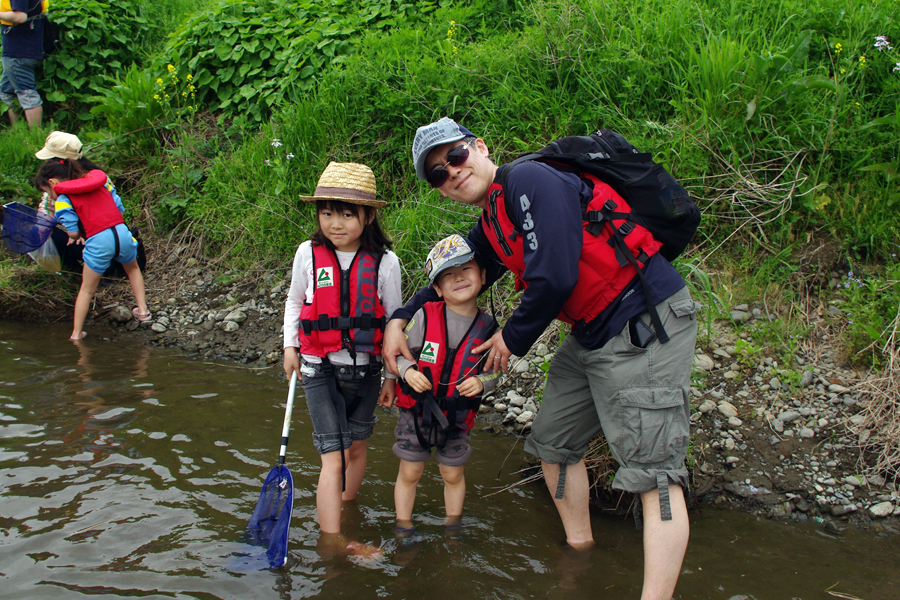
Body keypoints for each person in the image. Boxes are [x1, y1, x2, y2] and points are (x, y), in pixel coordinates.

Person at [383, 117, 698, 600]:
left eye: (457, 157)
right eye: (439, 174)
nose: (453, 173)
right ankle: (580, 550)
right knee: (553, 445)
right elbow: (454, 272)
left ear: (480, 147)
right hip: (592, 330)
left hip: (643, 318)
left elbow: (554, 274)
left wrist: (512, 337)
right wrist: (400, 319)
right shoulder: (492, 219)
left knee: (655, 473)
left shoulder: (528, 180)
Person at [282, 161, 401, 556]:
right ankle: (335, 540)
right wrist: (289, 347)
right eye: (327, 212)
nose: (335, 223)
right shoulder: (308, 254)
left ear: (367, 217)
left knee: (356, 448)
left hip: (366, 372)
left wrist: (391, 377)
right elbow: (295, 302)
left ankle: (346, 509)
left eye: (347, 214)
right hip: (318, 369)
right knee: (332, 456)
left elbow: (394, 325)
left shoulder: (386, 263)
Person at [386, 234, 499, 538]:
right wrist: (408, 373)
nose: (459, 277)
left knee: (453, 473)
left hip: (458, 418)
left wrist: (482, 382)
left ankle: (453, 525)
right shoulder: (423, 316)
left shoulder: (489, 329)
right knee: (410, 471)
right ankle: (404, 524)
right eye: (447, 275)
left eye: (466, 269)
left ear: (483, 275)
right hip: (416, 412)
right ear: (436, 288)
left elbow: (495, 373)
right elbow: (396, 357)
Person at [34, 132, 150, 340]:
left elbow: (59, 224)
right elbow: (118, 208)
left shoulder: (62, 193)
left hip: (97, 241)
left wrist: (75, 232)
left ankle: (76, 334)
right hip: (120, 233)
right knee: (133, 269)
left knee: (86, 290)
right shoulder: (99, 178)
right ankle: (143, 312)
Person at [0, 0, 44, 127]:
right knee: (7, 93)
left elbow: (20, 16)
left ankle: (35, 136)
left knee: (27, 93)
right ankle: (19, 132)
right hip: (22, 49)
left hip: (19, 51)